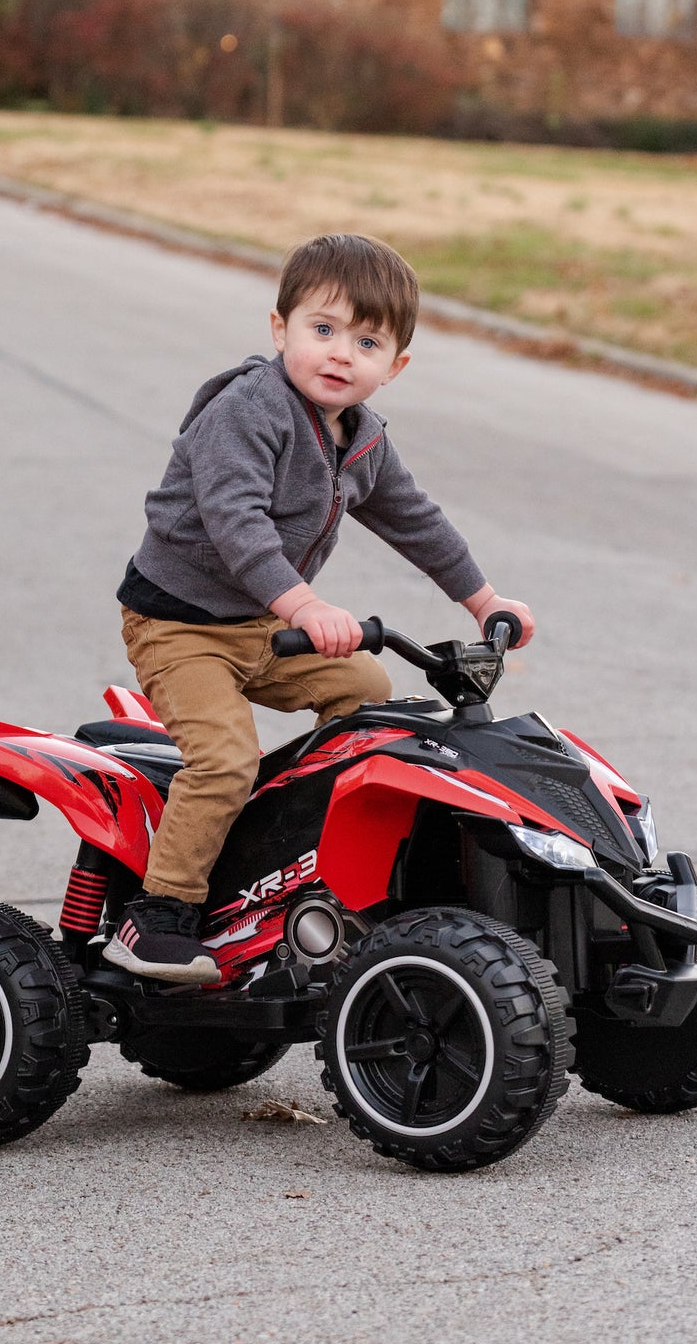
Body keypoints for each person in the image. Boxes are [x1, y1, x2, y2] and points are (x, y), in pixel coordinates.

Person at [107, 233, 534, 982]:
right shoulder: (247, 412)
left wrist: (482, 597)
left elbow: (414, 519)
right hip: (179, 625)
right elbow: (236, 523)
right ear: (280, 329)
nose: (340, 354)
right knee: (222, 759)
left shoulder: (358, 437)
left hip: (263, 627)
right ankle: (158, 914)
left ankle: (291, 861)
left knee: (371, 703)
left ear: (394, 367)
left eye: (365, 341)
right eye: (323, 329)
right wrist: (303, 604)